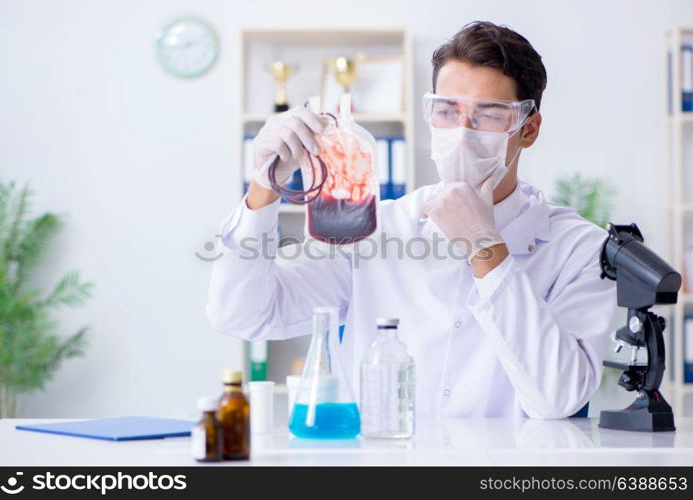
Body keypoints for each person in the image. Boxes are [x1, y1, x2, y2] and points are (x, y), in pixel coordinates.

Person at [206, 21, 617, 419]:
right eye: (447, 111)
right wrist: (264, 187)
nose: (462, 131)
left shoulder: (580, 249)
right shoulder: (373, 229)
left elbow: (558, 399)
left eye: (488, 115)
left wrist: (485, 249)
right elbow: (243, 315)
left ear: (528, 130)